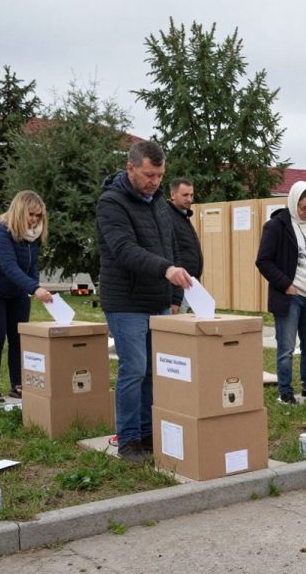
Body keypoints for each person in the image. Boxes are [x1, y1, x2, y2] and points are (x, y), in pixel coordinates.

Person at [97, 141, 192, 464]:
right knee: (134, 369)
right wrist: (166, 269)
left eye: (160, 175)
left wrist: (175, 296)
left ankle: (149, 432)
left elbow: (172, 248)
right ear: (131, 168)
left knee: (155, 371)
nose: (155, 181)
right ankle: (129, 440)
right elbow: (124, 249)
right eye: (149, 175)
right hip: (125, 302)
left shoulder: (159, 203)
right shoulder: (111, 203)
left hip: (160, 301)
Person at [256, 180, 306, 405]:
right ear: (293, 202)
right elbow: (263, 261)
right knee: (286, 348)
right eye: (304, 208)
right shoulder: (276, 226)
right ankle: (285, 392)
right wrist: (285, 284)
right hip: (289, 296)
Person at [0, 190, 54, 403]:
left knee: (18, 338)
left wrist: (32, 286)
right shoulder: (1, 232)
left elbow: (32, 265)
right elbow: (9, 267)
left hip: (17, 291)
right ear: (19, 212)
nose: (34, 220)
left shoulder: (34, 235)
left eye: (38, 216)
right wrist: (35, 289)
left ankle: (17, 385)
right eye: (31, 214)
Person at [166, 178, 203, 313]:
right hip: (178, 285)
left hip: (191, 283)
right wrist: (174, 298)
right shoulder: (168, 216)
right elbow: (170, 254)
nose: (189, 199)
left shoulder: (183, 216)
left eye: (191, 195)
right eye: (185, 195)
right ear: (173, 195)